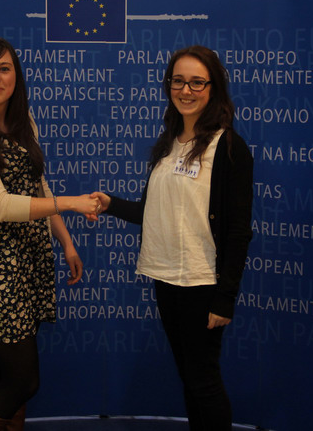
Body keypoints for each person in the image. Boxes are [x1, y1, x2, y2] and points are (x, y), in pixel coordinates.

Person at [90, 45, 254, 431]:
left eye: (197, 82)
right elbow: (152, 212)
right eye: (178, 81)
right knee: (190, 378)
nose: (186, 90)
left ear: (213, 88)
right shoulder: (169, 143)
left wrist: (225, 298)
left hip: (202, 282)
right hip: (166, 277)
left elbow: (238, 230)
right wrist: (110, 204)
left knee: (204, 380)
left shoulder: (229, 147)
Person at [0, 37, 101, 431]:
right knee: (23, 381)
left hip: (31, 258)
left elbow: (37, 186)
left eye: (5, 68)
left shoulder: (23, 122)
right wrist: (72, 203)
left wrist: (66, 242)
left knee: (8, 376)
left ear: (16, 77)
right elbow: (0, 205)